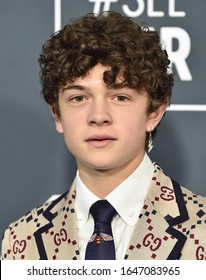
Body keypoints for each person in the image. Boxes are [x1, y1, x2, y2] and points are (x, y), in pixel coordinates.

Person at [1, 11, 206, 260]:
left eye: (120, 97)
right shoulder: (22, 241)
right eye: (78, 98)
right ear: (57, 115)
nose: (98, 116)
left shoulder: (202, 229)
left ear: (153, 112)